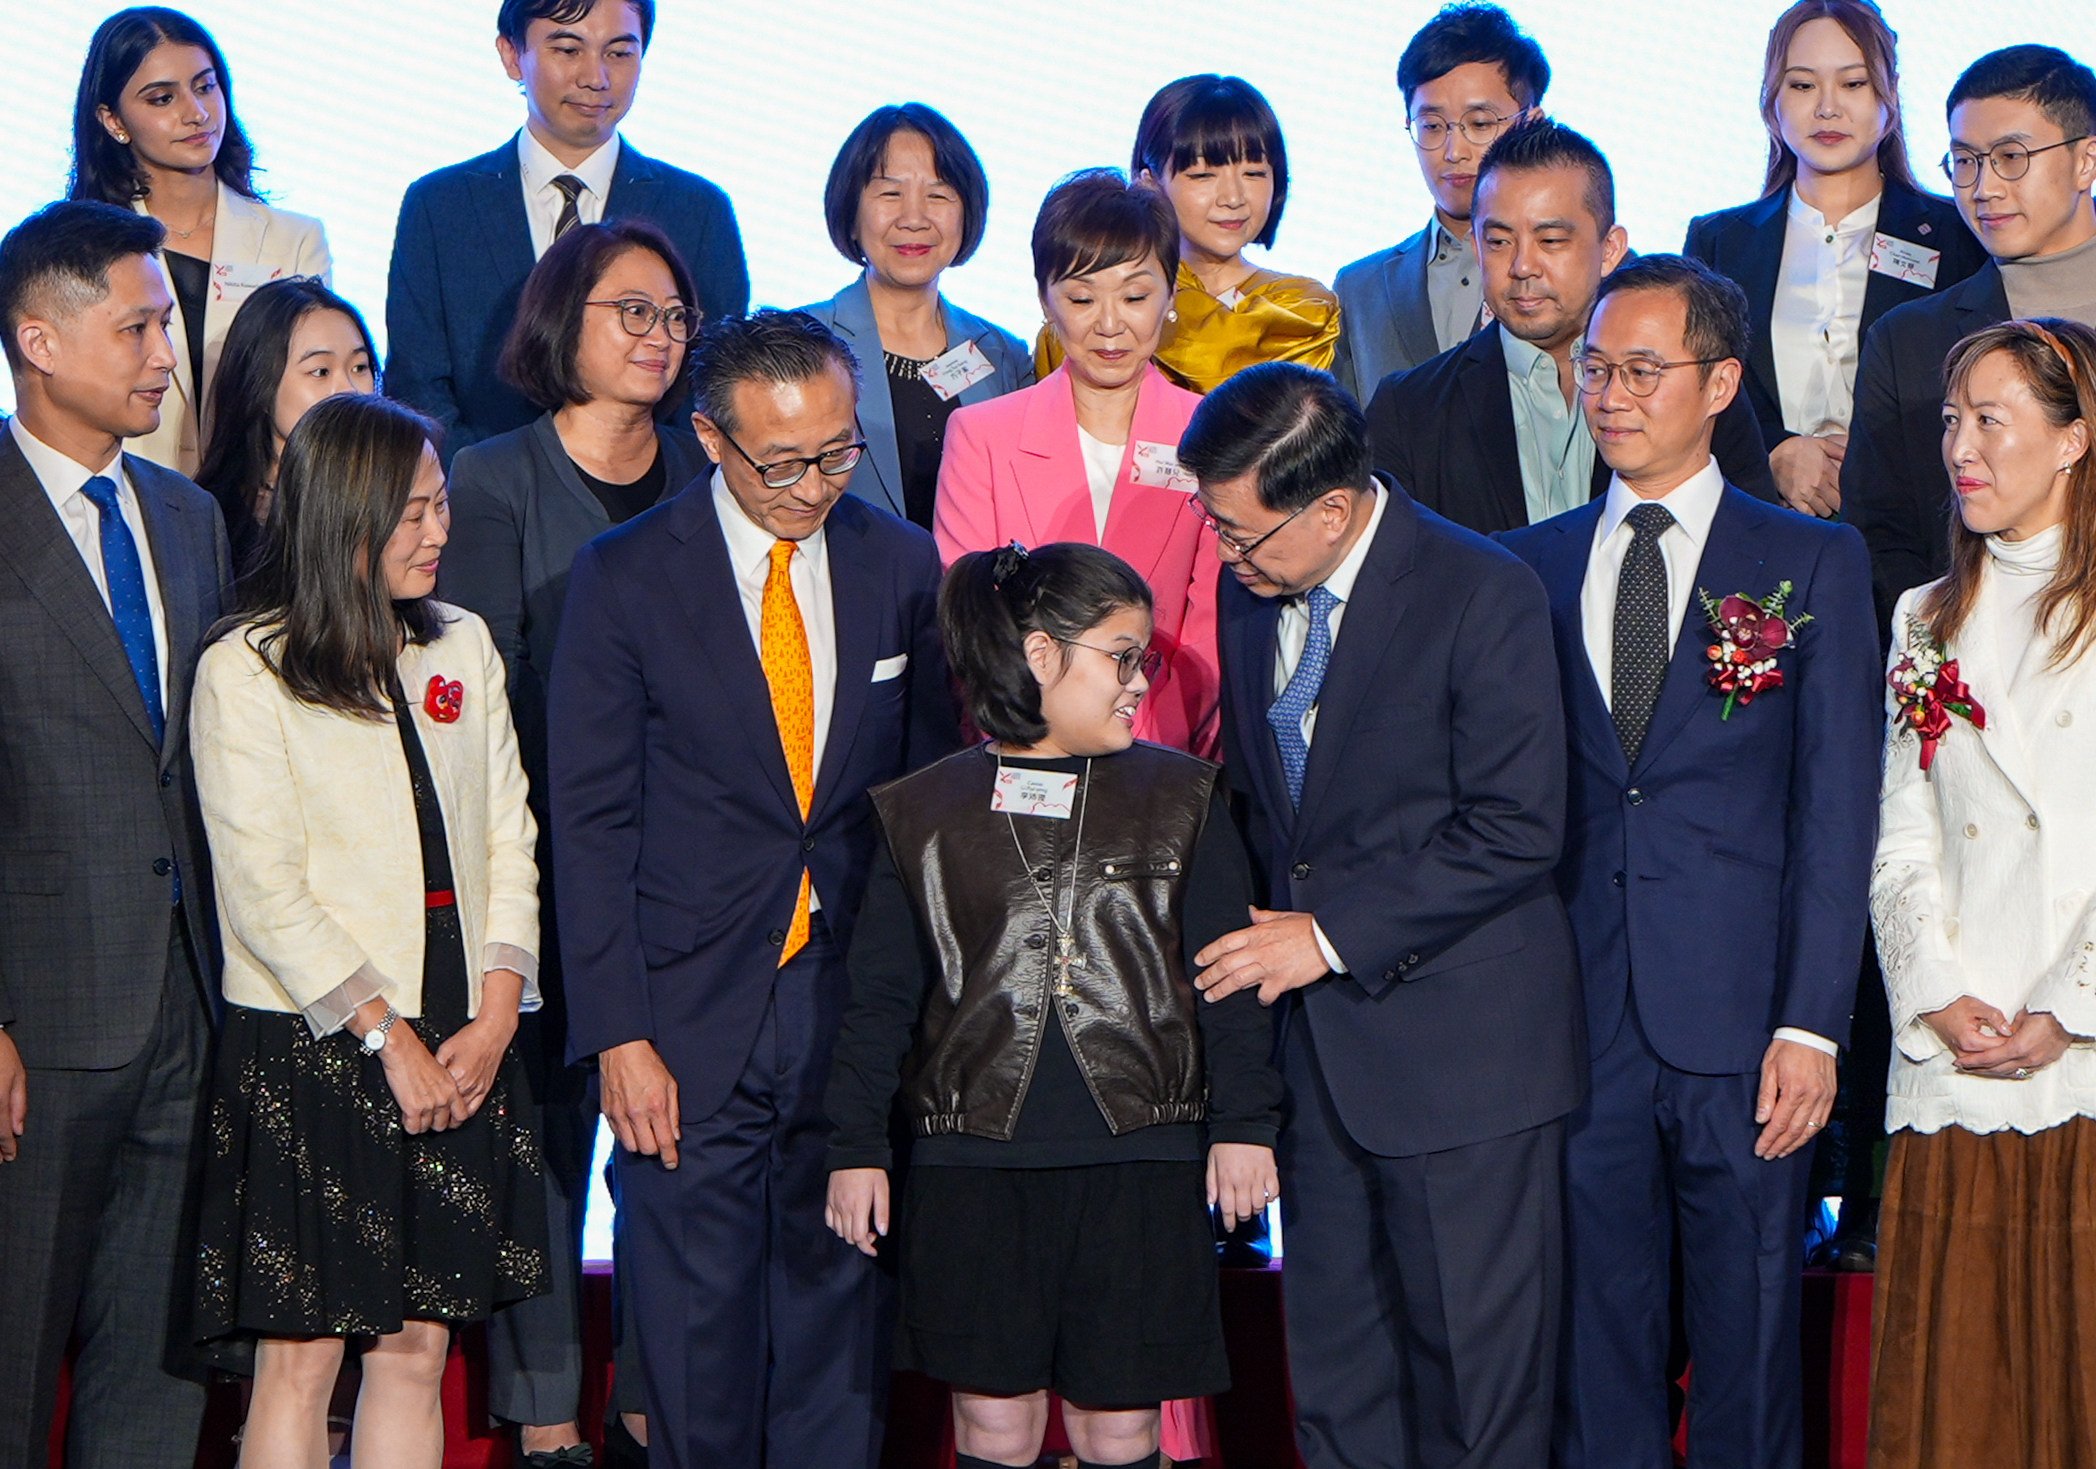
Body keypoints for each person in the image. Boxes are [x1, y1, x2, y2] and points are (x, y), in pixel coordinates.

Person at [550, 309, 958, 1469]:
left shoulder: (898, 564)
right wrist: (618, 1030)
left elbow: (918, 801)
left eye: (836, 453)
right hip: (681, 1018)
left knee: (839, 1332)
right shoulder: (623, 577)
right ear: (709, 438)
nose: (812, 484)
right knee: (692, 1343)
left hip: (845, 1006)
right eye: (781, 461)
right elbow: (588, 824)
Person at [1498, 255, 1881, 1469]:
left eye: (1639, 370)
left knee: (1750, 1334)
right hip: (1575, 1018)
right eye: (1595, 368)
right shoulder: (1527, 563)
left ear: (1718, 382)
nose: (1608, 394)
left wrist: (1811, 1026)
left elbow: (1835, 813)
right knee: (1592, 1341)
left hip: (1744, 1026)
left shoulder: (1810, 562)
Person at [1184, 362, 1584, 1469]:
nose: (1224, 557)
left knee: (1476, 1398)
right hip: (1317, 1065)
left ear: (1328, 508)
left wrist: (1321, 936)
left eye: (1244, 535)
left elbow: (1515, 825)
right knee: (1339, 1385)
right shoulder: (1249, 589)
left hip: (1463, 1062)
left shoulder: (1480, 589)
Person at [822, 540, 1283, 1469]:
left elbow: (1229, 979)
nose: (1136, 683)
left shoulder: (1186, 796)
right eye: (1121, 655)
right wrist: (856, 1147)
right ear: (1041, 653)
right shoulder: (922, 811)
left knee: (1123, 1430)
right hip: (972, 1163)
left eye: (1142, 660)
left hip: (1141, 1158)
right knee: (994, 1426)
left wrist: (1246, 1124)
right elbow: (878, 999)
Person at [188, 392, 546, 1467]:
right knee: (300, 1355)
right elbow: (263, 889)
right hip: (317, 1043)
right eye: (414, 513)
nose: (439, 531)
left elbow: (507, 837)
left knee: (416, 1340)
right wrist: (386, 1036)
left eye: (440, 506)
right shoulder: (244, 667)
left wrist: (492, 1015)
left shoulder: (462, 643)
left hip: (459, 1037)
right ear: (343, 515)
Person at [441, 217, 704, 1469]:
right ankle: (548, 1424)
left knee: (670, 1171)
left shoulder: (715, 475)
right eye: (630, 312)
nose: (658, 337)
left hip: (693, 888)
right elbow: (493, 699)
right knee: (542, 1165)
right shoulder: (489, 481)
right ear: (562, 322)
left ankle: (656, 1412)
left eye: (672, 316)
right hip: (539, 875)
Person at [0, 199, 229, 1469]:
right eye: (137, 325)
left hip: (185, 1016)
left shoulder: (186, 517)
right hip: (36, 1029)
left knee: (156, 1376)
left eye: (167, 325)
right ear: (39, 338)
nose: (164, 353)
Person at [1868, 316, 2096, 1469]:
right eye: (1952, 420)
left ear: (2072, 438)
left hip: (2082, 1056)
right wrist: (1935, 993)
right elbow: (1901, 835)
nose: (1960, 447)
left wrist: (2067, 1003)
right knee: (1957, 1398)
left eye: (1990, 420)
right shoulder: (1922, 616)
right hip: (1956, 1061)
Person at [1366, 117, 1779, 534]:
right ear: (1475, 244)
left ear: (1610, 248)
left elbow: (1755, 547)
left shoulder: (1691, 385)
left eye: (1551, 241)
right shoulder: (1410, 410)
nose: (1522, 266)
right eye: (1498, 242)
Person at [386, 0, 748, 463]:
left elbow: (713, 385)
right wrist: (491, 491)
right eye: (568, 50)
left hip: (653, 510)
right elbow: (417, 388)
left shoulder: (698, 211)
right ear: (512, 55)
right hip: (476, 506)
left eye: (619, 53)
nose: (595, 77)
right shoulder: (440, 205)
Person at [937, 169, 1220, 756]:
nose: (1110, 324)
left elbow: (1211, 625)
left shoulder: (1211, 434)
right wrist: (1031, 739)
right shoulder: (981, 436)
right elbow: (974, 620)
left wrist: (1162, 748)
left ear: (1171, 296)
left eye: (1136, 296)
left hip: (1166, 751)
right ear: (1045, 299)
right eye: (1083, 298)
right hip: (1022, 747)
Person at [1684, 0, 1986, 520]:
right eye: (1802, 85)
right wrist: (1775, 450)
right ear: (1771, 103)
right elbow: (1693, 386)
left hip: (1918, 533)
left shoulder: (1957, 235)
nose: (1827, 108)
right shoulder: (1718, 242)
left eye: (1853, 84)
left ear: (1889, 98)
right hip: (1761, 525)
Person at [1844, 44, 2096, 627]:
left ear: (2085, 161)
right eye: (1965, 161)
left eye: (2011, 156)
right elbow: (1880, 537)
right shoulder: (1907, 342)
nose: (1984, 187)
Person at [68, 6, 332, 477]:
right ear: (112, 120)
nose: (197, 113)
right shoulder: (83, 252)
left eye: (205, 86)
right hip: (131, 497)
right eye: (162, 99)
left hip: (266, 505)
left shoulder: (293, 240)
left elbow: (314, 387)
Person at [797, 104, 1032, 528]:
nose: (914, 219)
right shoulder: (801, 343)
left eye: (938, 195)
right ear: (851, 214)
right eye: (890, 194)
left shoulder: (1003, 356)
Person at [1332, 3, 1546, 400]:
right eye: (1431, 126)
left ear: (1531, 122)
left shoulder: (1595, 273)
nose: (1453, 150)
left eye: (1480, 124)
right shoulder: (1360, 289)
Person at [194, 274, 377, 574]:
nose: (348, 389)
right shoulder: (207, 520)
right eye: (320, 371)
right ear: (260, 385)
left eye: (360, 367)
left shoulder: (391, 498)